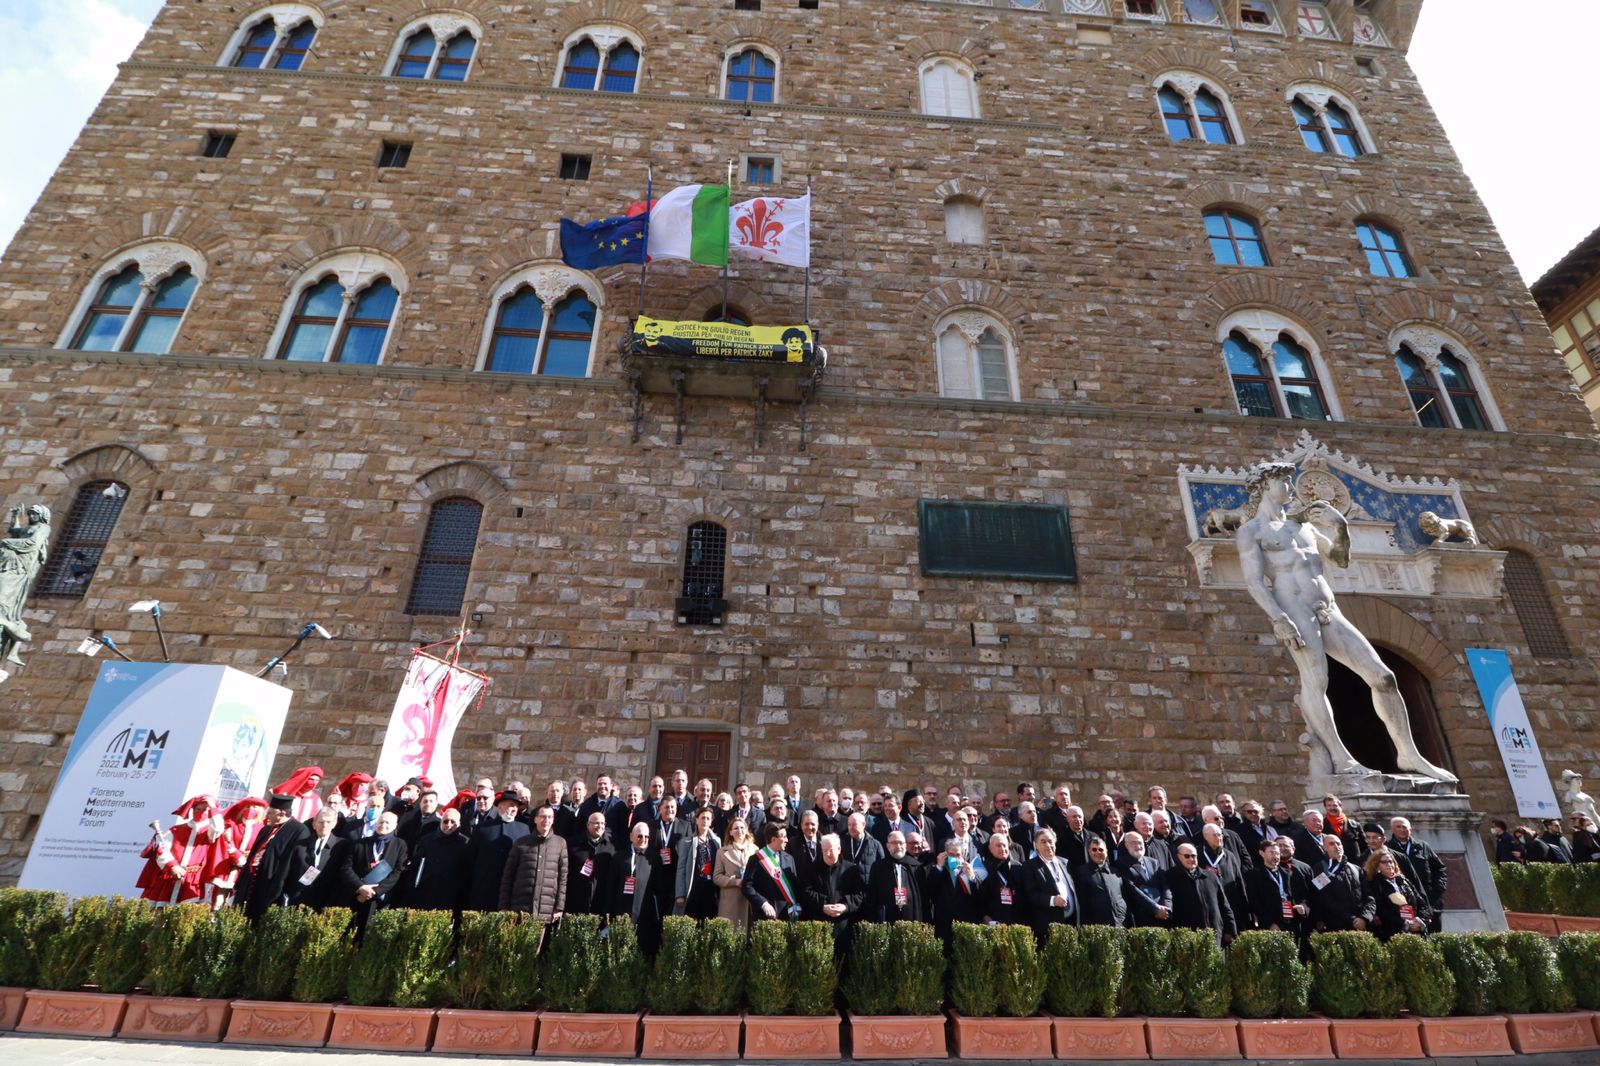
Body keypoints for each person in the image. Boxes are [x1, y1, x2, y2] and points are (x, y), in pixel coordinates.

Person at [1237, 461, 1455, 782]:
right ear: (1264, 487)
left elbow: (1339, 558)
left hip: (1329, 610)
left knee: (1383, 677)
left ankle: (1409, 754)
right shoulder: (1251, 532)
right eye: (1283, 481)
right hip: (1296, 611)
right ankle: (1343, 759)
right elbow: (1255, 581)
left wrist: (1340, 527)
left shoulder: (1304, 527)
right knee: (1316, 681)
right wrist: (1279, 618)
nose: (1289, 486)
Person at [135, 795, 222, 905]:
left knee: (188, 916)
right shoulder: (176, 830)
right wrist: (172, 865)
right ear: (193, 810)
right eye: (198, 809)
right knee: (158, 915)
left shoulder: (210, 832)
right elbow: (161, 850)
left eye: (206, 810)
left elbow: (217, 829)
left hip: (193, 881)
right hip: (170, 878)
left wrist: (213, 808)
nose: (201, 812)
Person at [239, 793, 313, 920]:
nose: (266, 816)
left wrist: (296, 890)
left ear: (282, 814)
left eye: (270, 813)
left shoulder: (299, 830)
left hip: (271, 887)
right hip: (252, 882)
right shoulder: (267, 829)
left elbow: (302, 863)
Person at [339, 809, 408, 929]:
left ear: (395, 825)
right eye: (381, 822)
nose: (383, 825)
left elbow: (398, 871)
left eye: (387, 823)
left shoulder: (400, 845)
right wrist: (360, 887)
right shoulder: (359, 844)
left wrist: (375, 891)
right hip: (357, 897)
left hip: (380, 900)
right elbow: (346, 868)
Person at [499, 803, 568, 920]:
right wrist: (504, 905)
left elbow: (563, 878)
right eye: (543, 816)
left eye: (550, 817)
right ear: (535, 819)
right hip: (520, 908)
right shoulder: (521, 843)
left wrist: (559, 906)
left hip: (547, 910)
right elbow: (508, 876)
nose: (546, 820)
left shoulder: (560, 843)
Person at [464, 788, 529, 911]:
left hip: (510, 891)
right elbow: (470, 859)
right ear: (500, 807)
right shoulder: (483, 828)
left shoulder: (524, 829)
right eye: (511, 805)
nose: (514, 809)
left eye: (516, 806)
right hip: (484, 889)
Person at [398, 804, 469, 911]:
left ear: (459, 824)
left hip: (449, 894)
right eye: (445, 821)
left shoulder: (465, 843)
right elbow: (417, 863)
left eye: (453, 822)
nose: (448, 825)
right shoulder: (427, 840)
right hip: (425, 891)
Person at [1168, 843, 1234, 947]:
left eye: (1194, 856)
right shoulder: (1170, 878)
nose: (1191, 859)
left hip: (1214, 933)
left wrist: (1230, 929)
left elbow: (1224, 905)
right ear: (1178, 856)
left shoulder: (1210, 877)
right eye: (1187, 856)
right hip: (1187, 937)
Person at [609, 822, 660, 957]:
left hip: (645, 916)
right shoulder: (619, 857)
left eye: (647, 837)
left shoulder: (654, 859)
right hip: (621, 913)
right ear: (631, 836)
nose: (643, 839)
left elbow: (658, 888)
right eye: (640, 836)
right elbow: (611, 887)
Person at [208, 797, 267, 910]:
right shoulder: (232, 825)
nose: (250, 809)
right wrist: (237, 856)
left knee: (236, 901)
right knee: (219, 899)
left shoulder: (262, 829)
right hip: (227, 866)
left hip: (246, 869)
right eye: (248, 806)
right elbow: (226, 842)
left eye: (254, 807)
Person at [1359, 849, 1431, 940]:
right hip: (1393, 934)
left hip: (1417, 930)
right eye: (1384, 862)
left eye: (1390, 861)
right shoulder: (1375, 884)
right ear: (1377, 865)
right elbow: (1381, 910)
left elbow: (1421, 902)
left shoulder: (1404, 881)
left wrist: (1420, 920)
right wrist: (1405, 924)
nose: (1389, 865)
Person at [1245, 835, 1308, 936]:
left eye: (1278, 853)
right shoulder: (1254, 875)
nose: (1276, 856)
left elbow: (1304, 895)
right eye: (1272, 853)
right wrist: (1270, 923)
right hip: (1271, 925)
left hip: (1292, 922)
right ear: (1262, 853)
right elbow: (1254, 902)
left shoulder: (1290, 873)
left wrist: (1303, 907)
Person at [804, 833, 866, 937]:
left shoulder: (851, 869)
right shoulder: (811, 870)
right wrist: (823, 906)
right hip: (819, 926)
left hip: (845, 926)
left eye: (831, 850)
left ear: (839, 849)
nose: (828, 854)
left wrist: (845, 906)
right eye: (824, 850)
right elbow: (806, 892)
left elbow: (860, 895)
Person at [1024, 829, 1079, 941]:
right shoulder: (1029, 866)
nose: (1048, 845)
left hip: (1072, 923)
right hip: (1048, 926)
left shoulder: (1065, 863)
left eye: (1050, 841)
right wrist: (1052, 900)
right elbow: (1031, 894)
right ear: (1036, 845)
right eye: (1043, 842)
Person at [744, 821, 803, 921]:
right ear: (773, 839)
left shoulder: (789, 859)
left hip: (787, 914)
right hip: (766, 915)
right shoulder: (756, 859)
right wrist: (763, 903)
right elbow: (747, 886)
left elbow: (794, 886)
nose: (787, 840)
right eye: (783, 837)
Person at [293, 807, 349, 909]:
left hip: (326, 901)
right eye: (321, 822)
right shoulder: (300, 845)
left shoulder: (342, 845)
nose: (324, 825)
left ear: (334, 823)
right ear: (314, 824)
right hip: (299, 900)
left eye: (328, 822)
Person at [866, 830, 928, 923]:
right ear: (888, 846)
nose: (898, 846)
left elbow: (924, 897)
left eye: (901, 843)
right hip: (887, 916)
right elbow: (872, 895)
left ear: (905, 845)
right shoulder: (878, 867)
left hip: (911, 917)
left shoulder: (916, 867)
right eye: (894, 843)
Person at [1198, 823, 1249, 930]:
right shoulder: (1198, 855)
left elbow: (1239, 881)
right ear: (1205, 836)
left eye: (1220, 835)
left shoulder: (1229, 855)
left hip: (1232, 905)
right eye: (1215, 835)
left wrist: (1246, 910)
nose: (1219, 838)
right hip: (1210, 907)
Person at [1309, 837, 1366, 932]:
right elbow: (1324, 897)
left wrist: (1365, 918)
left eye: (1338, 844)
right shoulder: (1320, 868)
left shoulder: (1356, 869)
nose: (1336, 847)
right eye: (1332, 844)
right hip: (1336, 926)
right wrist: (1351, 919)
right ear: (1324, 848)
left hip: (1362, 924)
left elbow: (1369, 896)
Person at [675, 805, 721, 919]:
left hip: (711, 888)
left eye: (708, 818)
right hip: (694, 887)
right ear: (696, 819)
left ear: (711, 822)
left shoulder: (716, 842)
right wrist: (680, 894)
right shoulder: (687, 842)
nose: (705, 821)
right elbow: (681, 868)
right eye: (702, 818)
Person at [1117, 831, 1171, 927]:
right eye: (1133, 842)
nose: (1138, 845)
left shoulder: (1153, 862)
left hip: (1163, 916)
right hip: (1141, 917)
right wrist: (1155, 908)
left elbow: (1165, 885)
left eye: (1140, 842)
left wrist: (1166, 908)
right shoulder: (1121, 864)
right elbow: (1132, 889)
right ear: (1126, 845)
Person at [714, 816, 759, 929]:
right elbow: (717, 877)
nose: (740, 831)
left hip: (750, 899)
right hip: (731, 900)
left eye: (742, 828)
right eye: (736, 828)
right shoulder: (722, 852)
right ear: (730, 832)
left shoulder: (756, 850)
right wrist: (734, 881)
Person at [567, 811, 615, 915]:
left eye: (603, 823)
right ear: (588, 824)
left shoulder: (610, 849)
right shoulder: (573, 844)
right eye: (597, 823)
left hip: (598, 905)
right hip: (575, 903)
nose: (600, 826)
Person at [1074, 837, 1128, 927]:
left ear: (1106, 852)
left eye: (1101, 849)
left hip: (1120, 924)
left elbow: (1123, 897)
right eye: (1094, 850)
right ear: (1089, 851)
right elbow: (1082, 904)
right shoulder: (1081, 872)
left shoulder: (1115, 872)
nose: (1098, 852)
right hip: (1097, 928)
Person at [978, 832, 1028, 926]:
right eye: (998, 845)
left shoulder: (1018, 866)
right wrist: (984, 915)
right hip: (994, 921)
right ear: (990, 848)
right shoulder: (983, 868)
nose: (1002, 848)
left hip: (1019, 921)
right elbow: (980, 898)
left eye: (1004, 845)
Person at [841, 812, 885, 879]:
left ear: (863, 824)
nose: (851, 827)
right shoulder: (842, 842)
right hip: (847, 884)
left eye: (854, 824)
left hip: (868, 886)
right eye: (849, 824)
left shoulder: (875, 844)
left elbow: (882, 867)